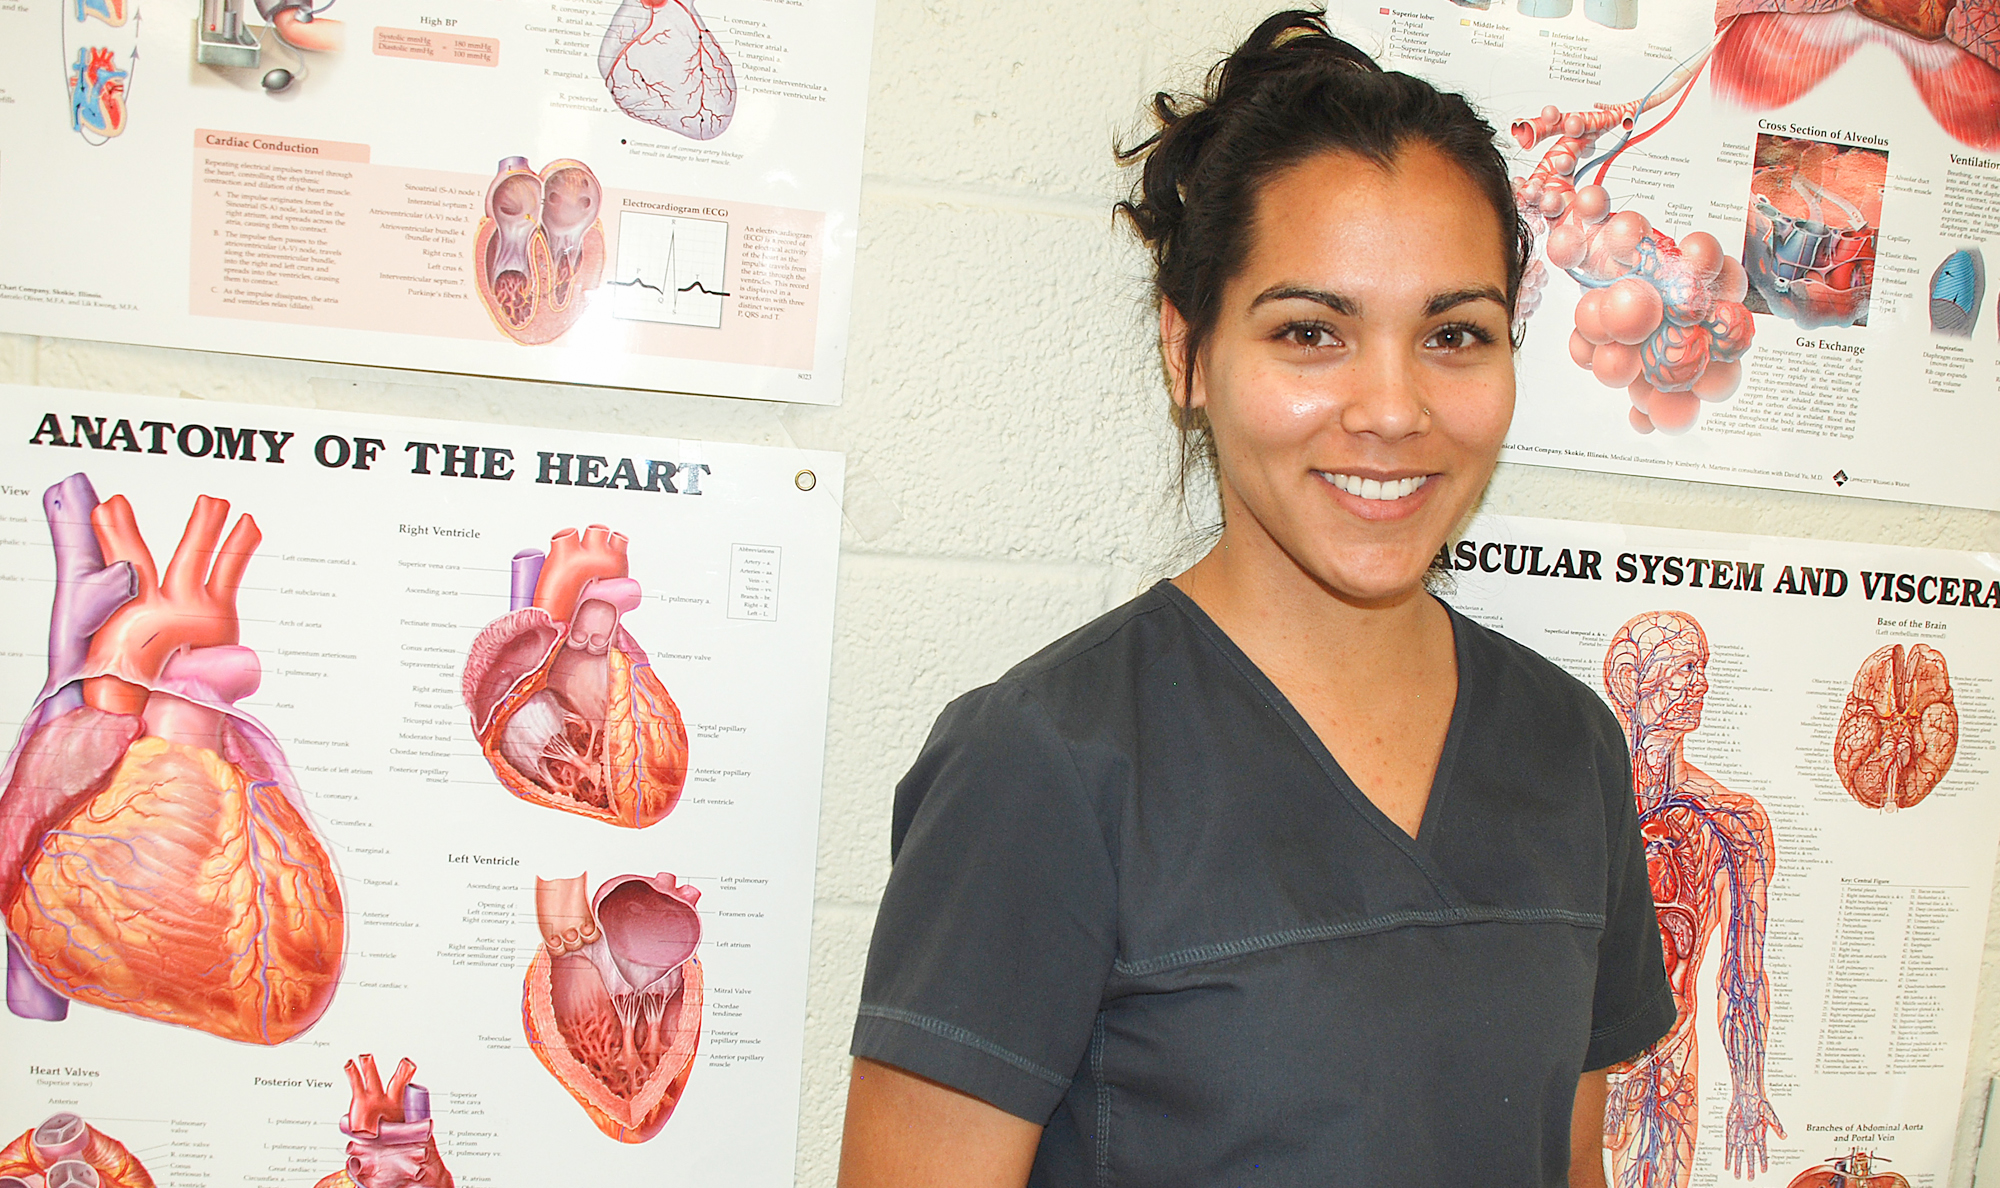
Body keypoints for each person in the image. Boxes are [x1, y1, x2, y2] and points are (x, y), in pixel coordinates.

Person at [837, 10, 1675, 1186]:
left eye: (1452, 333)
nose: (1390, 408)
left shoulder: (1568, 746)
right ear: (1187, 355)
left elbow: (1568, 1164)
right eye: (1309, 332)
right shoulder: (1046, 764)